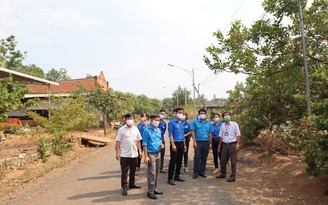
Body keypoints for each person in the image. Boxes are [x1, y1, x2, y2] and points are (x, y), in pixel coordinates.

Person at [115, 113, 142, 196]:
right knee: (124, 172)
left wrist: (140, 151)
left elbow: (138, 141)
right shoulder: (121, 129)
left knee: (133, 170)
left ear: (133, 120)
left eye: (131, 118)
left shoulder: (136, 129)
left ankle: (132, 184)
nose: (130, 120)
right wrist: (117, 153)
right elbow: (118, 141)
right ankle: (124, 187)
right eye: (128, 119)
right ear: (125, 120)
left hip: (134, 154)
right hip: (124, 155)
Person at [143, 114, 165, 200]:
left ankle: (154, 188)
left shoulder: (158, 130)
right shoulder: (146, 130)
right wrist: (146, 156)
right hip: (150, 154)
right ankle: (150, 191)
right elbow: (144, 144)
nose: (158, 122)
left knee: (156, 171)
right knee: (151, 173)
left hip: (158, 152)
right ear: (151, 120)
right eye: (156, 120)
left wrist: (162, 144)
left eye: (158, 120)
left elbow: (159, 140)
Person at [216, 111, 241, 182]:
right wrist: (219, 145)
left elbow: (238, 135)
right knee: (223, 160)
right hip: (224, 145)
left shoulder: (235, 124)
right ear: (223, 118)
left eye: (228, 115)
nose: (227, 116)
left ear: (230, 116)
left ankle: (233, 176)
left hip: (233, 145)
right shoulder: (222, 125)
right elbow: (221, 136)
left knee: (233, 161)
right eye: (225, 116)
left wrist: (238, 145)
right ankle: (223, 173)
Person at [191, 108, 213, 179]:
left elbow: (210, 133)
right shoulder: (195, 122)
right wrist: (194, 141)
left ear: (206, 115)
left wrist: (210, 143)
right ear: (199, 114)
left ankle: (202, 171)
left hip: (206, 142)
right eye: (201, 113)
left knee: (204, 157)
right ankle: (196, 172)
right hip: (198, 142)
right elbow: (193, 132)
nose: (202, 115)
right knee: (197, 156)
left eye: (204, 113)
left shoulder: (208, 123)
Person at [167, 107, 186, 185]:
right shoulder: (172, 122)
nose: (181, 114)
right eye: (179, 112)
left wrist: (184, 145)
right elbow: (170, 134)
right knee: (173, 161)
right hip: (175, 143)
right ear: (176, 113)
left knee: (179, 161)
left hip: (181, 143)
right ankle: (170, 178)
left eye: (182, 112)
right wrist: (173, 144)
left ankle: (177, 176)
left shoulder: (181, 122)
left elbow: (182, 134)